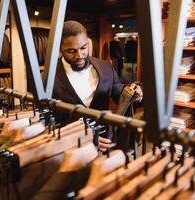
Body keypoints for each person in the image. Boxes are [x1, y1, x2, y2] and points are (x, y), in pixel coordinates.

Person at [51, 20, 143, 152]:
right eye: (71, 51)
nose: (79, 55)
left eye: (83, 48)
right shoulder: (48, 78)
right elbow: (46, 122)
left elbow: (120, 95)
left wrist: (135, 94)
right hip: (69, 149)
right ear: (60, 48)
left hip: (105, 143)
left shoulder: (105, 68)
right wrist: (77, 136)